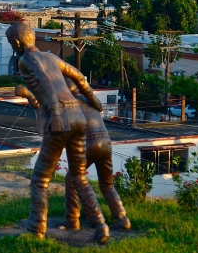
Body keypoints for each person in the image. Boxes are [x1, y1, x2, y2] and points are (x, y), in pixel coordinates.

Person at [5, 22, 109, 243]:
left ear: (16, 42)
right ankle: (100, 225)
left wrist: (54, 112)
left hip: (60, 117)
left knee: (41, 177)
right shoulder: (51, 57)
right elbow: (80, 78)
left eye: (11, 44)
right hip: (78, 117)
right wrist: (95, 102)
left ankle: (36, 229)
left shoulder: (26, 60)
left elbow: (45, 82)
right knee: (79, 176)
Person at [15, 83, 131, 231]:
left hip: (90, 143)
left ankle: (73, 219)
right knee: (107, 184)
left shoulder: (70, 105)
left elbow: (42, 107)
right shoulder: (90, 100)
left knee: (73, 178)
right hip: (106, 142)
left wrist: (28, 94)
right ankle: (122, 218)